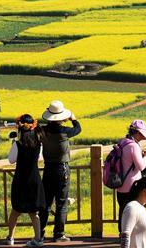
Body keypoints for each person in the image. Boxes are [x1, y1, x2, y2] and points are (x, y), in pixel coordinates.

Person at [39, 101, 82, 243]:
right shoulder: (65, 131)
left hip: (48, 169)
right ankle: (58, 234)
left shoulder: (43, 130)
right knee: (61, 203)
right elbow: (78, 129)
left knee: (46, 203)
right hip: (62, 169)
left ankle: (39, 232)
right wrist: (73, 118)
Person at [6, 115, 46, 247]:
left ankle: (10, 237)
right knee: (34, 213)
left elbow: (11, 160)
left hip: (20, 180)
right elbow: (40, 159)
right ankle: (38, 239)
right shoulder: (38, 145)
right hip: (34, 180)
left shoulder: (18, 144)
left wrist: (13, 145)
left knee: (15, 211)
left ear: (20, 131)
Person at [113, 120, 146, 231]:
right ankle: (128, 236)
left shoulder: (122, 142)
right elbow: (140, 166)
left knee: (122, 210)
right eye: (142, 134)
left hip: (120, 183)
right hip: (131, 185)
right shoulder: (133, 146)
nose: (142, 137)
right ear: (137, 133)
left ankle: (122, 235)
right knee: (132, 211)